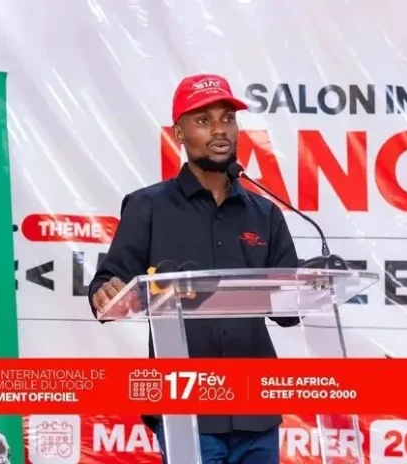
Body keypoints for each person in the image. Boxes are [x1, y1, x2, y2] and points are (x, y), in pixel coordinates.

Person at [88, 73, 300, 464]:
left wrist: (309, 287)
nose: (220, 130)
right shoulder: (148, 207)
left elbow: (290, 311)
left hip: (256, 408)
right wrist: (105, 292)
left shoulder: (265, 213)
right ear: (179, 134)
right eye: (203, 120)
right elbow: (109, 284)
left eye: (228, 118)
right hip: (184, 409)